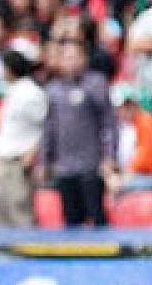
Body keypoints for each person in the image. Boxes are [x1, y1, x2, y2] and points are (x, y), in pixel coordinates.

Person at [41, 34, 117, 227]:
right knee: (70, 218)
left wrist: (109, 157)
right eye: (65, 57)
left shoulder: (96, 83)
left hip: (91, 164)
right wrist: (44, 161)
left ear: (84, 59)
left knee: (96, 215)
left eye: (74, 57)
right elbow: (49, 128)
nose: (70, 62)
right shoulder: (53, 89)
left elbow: (109, 124)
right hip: (65, 166)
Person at [0, 49, 48, 227]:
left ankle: (27, 253)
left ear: (10, 69)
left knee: (20, 211)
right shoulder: (13, 91)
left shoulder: (31, 93)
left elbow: (45, 126)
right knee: (2, 212)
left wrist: (33, 153)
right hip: (4, 159)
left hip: (19, 161)